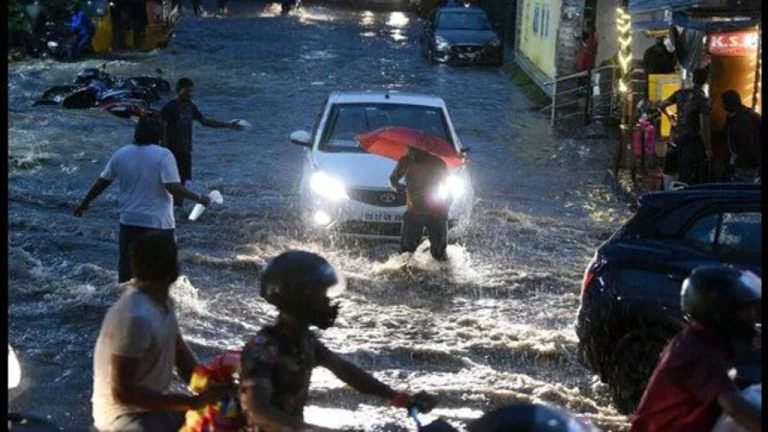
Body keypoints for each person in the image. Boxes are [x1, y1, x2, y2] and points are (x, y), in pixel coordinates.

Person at [239, 250, 438, 431]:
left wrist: (396, 397)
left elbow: (347, 372)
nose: (329, 304)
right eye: (322, 297)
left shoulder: (306, 342)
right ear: (298, 298)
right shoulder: (262, 348)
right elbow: (258, 412)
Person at [91, 233, 231, 431]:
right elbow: (123, 392)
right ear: (173, 268)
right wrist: (193, 403)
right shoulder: (135, 317)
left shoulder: (164, 302)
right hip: (124, 418)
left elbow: (181, 355)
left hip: (149, 410)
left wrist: (212, 387)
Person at [74, 116, 212, 283]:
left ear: (137, 133)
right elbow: (172, 186)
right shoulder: (164, 155)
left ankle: (124, 306)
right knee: (163, 277)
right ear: (160, 135)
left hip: (129, 222)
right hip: (159, 225)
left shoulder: (121, 153)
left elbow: (102, 182)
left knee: (127, 277)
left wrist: (84, 204)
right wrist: (199, 197)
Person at [630, 265, 762, 432]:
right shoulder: (696, 351)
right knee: (754, 401)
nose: (751, 318)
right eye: (745, 312)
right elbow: (734, 407)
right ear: (722, 312)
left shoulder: (700, 340)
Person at [160, 77, 243, 209]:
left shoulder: (190, 106)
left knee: (183, 181)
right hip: (172, 150)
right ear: (178, 90)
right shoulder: (170, 107)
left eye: (191, 91)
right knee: (173, 182)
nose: (189, 94)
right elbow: (162, 129)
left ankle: (177, 208)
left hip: (186, 149)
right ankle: (169, 207)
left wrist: (227, 125)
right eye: (186, 91)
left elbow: (204, 121)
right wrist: (163, 151)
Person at [389, 148, 451, 261]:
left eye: (416, 151)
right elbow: (393, 179)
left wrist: (444, 210)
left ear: (424, 150)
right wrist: (396, 186)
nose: (413, 153)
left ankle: (444, 273)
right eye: (410, 150)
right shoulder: (405, 162)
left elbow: (448, 189)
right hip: (413, 212)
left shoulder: (438, 163)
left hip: (435, 213)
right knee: (406, 252)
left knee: (439, 253)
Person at [657, 67, 712, 185]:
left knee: (675, 168)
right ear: (706, 81)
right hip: (692, 140)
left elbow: (661, 105)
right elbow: (704, 126)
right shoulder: (703, 99)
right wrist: (708, 148)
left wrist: (670, 115)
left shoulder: (681, 93)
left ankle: (673, 189)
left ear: (692, 79)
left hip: (677, 137)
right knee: (690, 172)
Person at [722, 90, 761, 182]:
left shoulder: (744, 120)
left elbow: (746, 144)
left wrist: (737, 160)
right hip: (743, 162)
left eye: (723, 103)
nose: (721, 106)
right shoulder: (735, 117)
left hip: (747, 163)